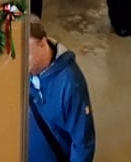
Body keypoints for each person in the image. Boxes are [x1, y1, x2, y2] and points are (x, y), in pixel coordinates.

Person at [27, 18, 97, 162]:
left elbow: (82, 143)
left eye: (26, 53)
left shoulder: (71, 83)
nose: (19, 62)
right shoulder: (21, 72)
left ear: (42, 43)